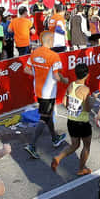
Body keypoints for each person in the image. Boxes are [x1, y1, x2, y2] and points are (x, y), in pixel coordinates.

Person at [22, 32, 68, 160]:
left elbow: (26, 69)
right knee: (45, 117)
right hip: (48, 92)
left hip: (38, 91)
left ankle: (54, 138)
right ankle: (32, 145)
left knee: (48, 115)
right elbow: (57, 76)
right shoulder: (54, 56)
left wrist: (37, 75)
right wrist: (65, 80)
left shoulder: (34, 53)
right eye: (53, 39)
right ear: (49, 40)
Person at [52, 63, 94, 176]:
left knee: (74, 145)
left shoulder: (71, 85)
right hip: (82, 122)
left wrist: (72, 110)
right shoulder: (85, 89)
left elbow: (65, 102)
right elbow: (87, 109)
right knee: (86, 146)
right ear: (87, 75)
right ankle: (81, 168)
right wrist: (93, 100)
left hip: (71, 120)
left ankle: (58, 157)